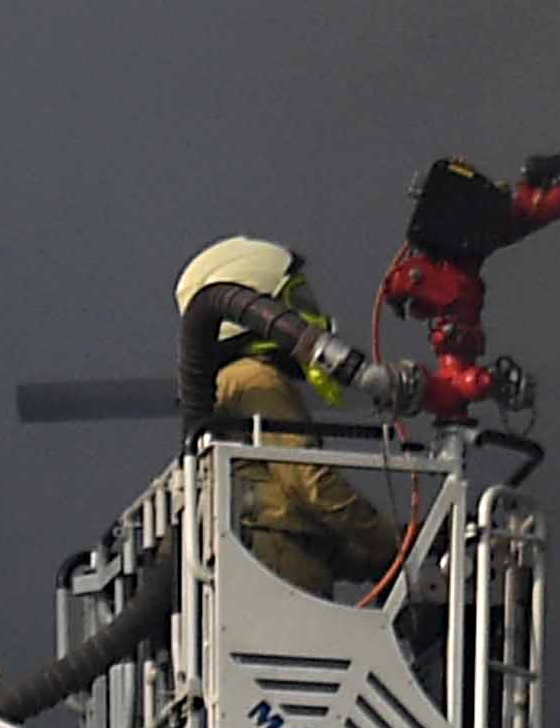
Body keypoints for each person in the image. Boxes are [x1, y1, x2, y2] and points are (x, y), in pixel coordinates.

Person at [173, 237, 405, 597]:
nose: (310, 318)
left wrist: (373, 556)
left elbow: (291, 514)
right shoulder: (257, 379)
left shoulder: (229, 384)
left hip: (267, 567)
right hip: (281, 573)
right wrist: (395, 541)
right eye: (294, 303)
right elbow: (309, 484)